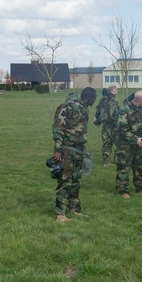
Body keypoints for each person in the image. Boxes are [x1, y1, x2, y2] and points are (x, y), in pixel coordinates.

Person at [53, 87, 97, 222]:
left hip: (79, 149)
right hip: (66, 150)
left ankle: (74, 208)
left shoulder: (84, 108)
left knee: (76, 179)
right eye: (94, 98)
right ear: (89, 98)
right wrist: (58, 150)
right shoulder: (67, 107)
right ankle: (60, 214)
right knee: (65, 180)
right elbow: (58, 129)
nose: (95, 100)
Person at [115, 90, 142, 198]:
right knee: (124, 166)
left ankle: (141, 188)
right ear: (139, 100)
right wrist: (135, 139)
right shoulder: (124, 110)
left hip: (140, 142)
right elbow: (122, 129)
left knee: (139, 165)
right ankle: (123, 191)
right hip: (125, 144)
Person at [94, 85, 119, 166]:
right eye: (115, 90)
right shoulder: (114, 101)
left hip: (105, 125)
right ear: (114, 91)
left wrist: (97, 118)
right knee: (119, 143)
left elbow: (98, 110)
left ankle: (106, 161)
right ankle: (117, 160)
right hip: (113, 125)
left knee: (106, 143)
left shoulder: (102, 100)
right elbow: (114, 114)